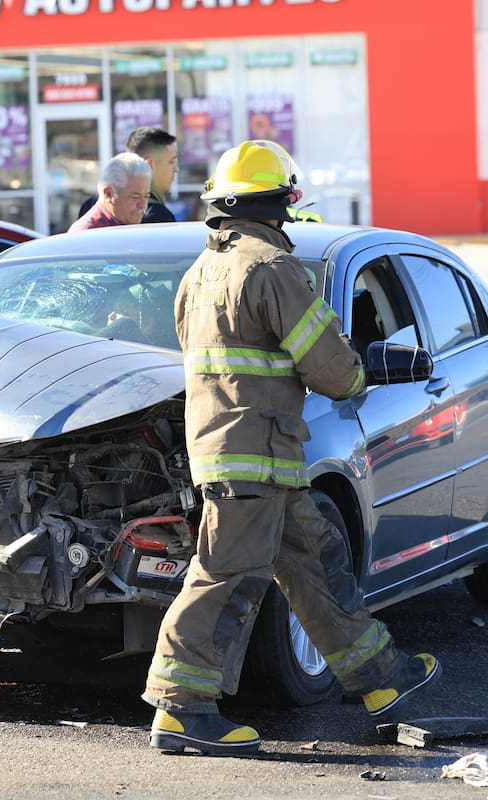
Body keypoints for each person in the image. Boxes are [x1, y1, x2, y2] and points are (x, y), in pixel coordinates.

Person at [143, 140, 441, 756]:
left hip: (256, 456)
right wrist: (361, 374)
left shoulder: (201, 273)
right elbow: (333, 370)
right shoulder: (273, 268)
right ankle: (182, 708)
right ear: (281, 202)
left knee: (316, 562)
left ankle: (378, 676)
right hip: (254, 456)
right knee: (226, 574)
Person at [77, 127, 179, 223]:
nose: (176, 169)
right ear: (149, 165)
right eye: (171, 162)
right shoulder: (156, 215)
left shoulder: (91, 206)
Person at [67, 153, 151, 232]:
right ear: (109, 194)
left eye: (147, 196)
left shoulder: (132, 227)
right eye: (135, 197)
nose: (143, 205)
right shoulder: (87, 234)